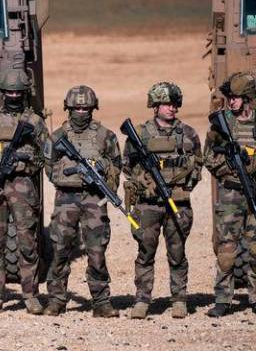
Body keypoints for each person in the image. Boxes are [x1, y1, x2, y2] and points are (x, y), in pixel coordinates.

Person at [123, 82, 201, 320]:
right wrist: (145, 182)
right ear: (154, 106)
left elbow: (197, 165)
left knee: (177, 253)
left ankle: (179, 300)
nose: (172, 108)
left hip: (178, 203)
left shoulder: (187, 134)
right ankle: (142, 300)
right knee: (145, 253)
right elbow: (127, 166)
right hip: (148, 205)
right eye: (166, 104)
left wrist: (182, 185)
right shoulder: (141, 133)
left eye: (175, 104)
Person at [43, 86, 120, 318]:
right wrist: (67, 174)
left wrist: (100, 169)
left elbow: (117, 166)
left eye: (85, 108)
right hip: (66, 198)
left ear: (92, 108)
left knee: (96, 251)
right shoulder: (57, 136)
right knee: (60, 249)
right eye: (76, 107)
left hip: (94, 198)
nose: (81, 112)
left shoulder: (105, 136)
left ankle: (101, 302)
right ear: (68, 108)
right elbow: (48, 165)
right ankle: (56, 300)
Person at [0, 68, 49, 315]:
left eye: (17, 92)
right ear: (2, 93)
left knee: (27, 242)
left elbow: (46, 155)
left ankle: (30, 294)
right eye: (9, 92)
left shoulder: (34, 121)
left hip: (22, 186)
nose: (13, 96)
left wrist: (23, 161)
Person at [204, 72, 256, 317]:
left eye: (236, 98)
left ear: (247, 98)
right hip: (231, 194)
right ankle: (223, 300)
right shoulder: (221, 124)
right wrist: (230, 167)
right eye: (230, 97)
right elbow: (208, 157)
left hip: (253, 191)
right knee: (226, 251)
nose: (231, 101)